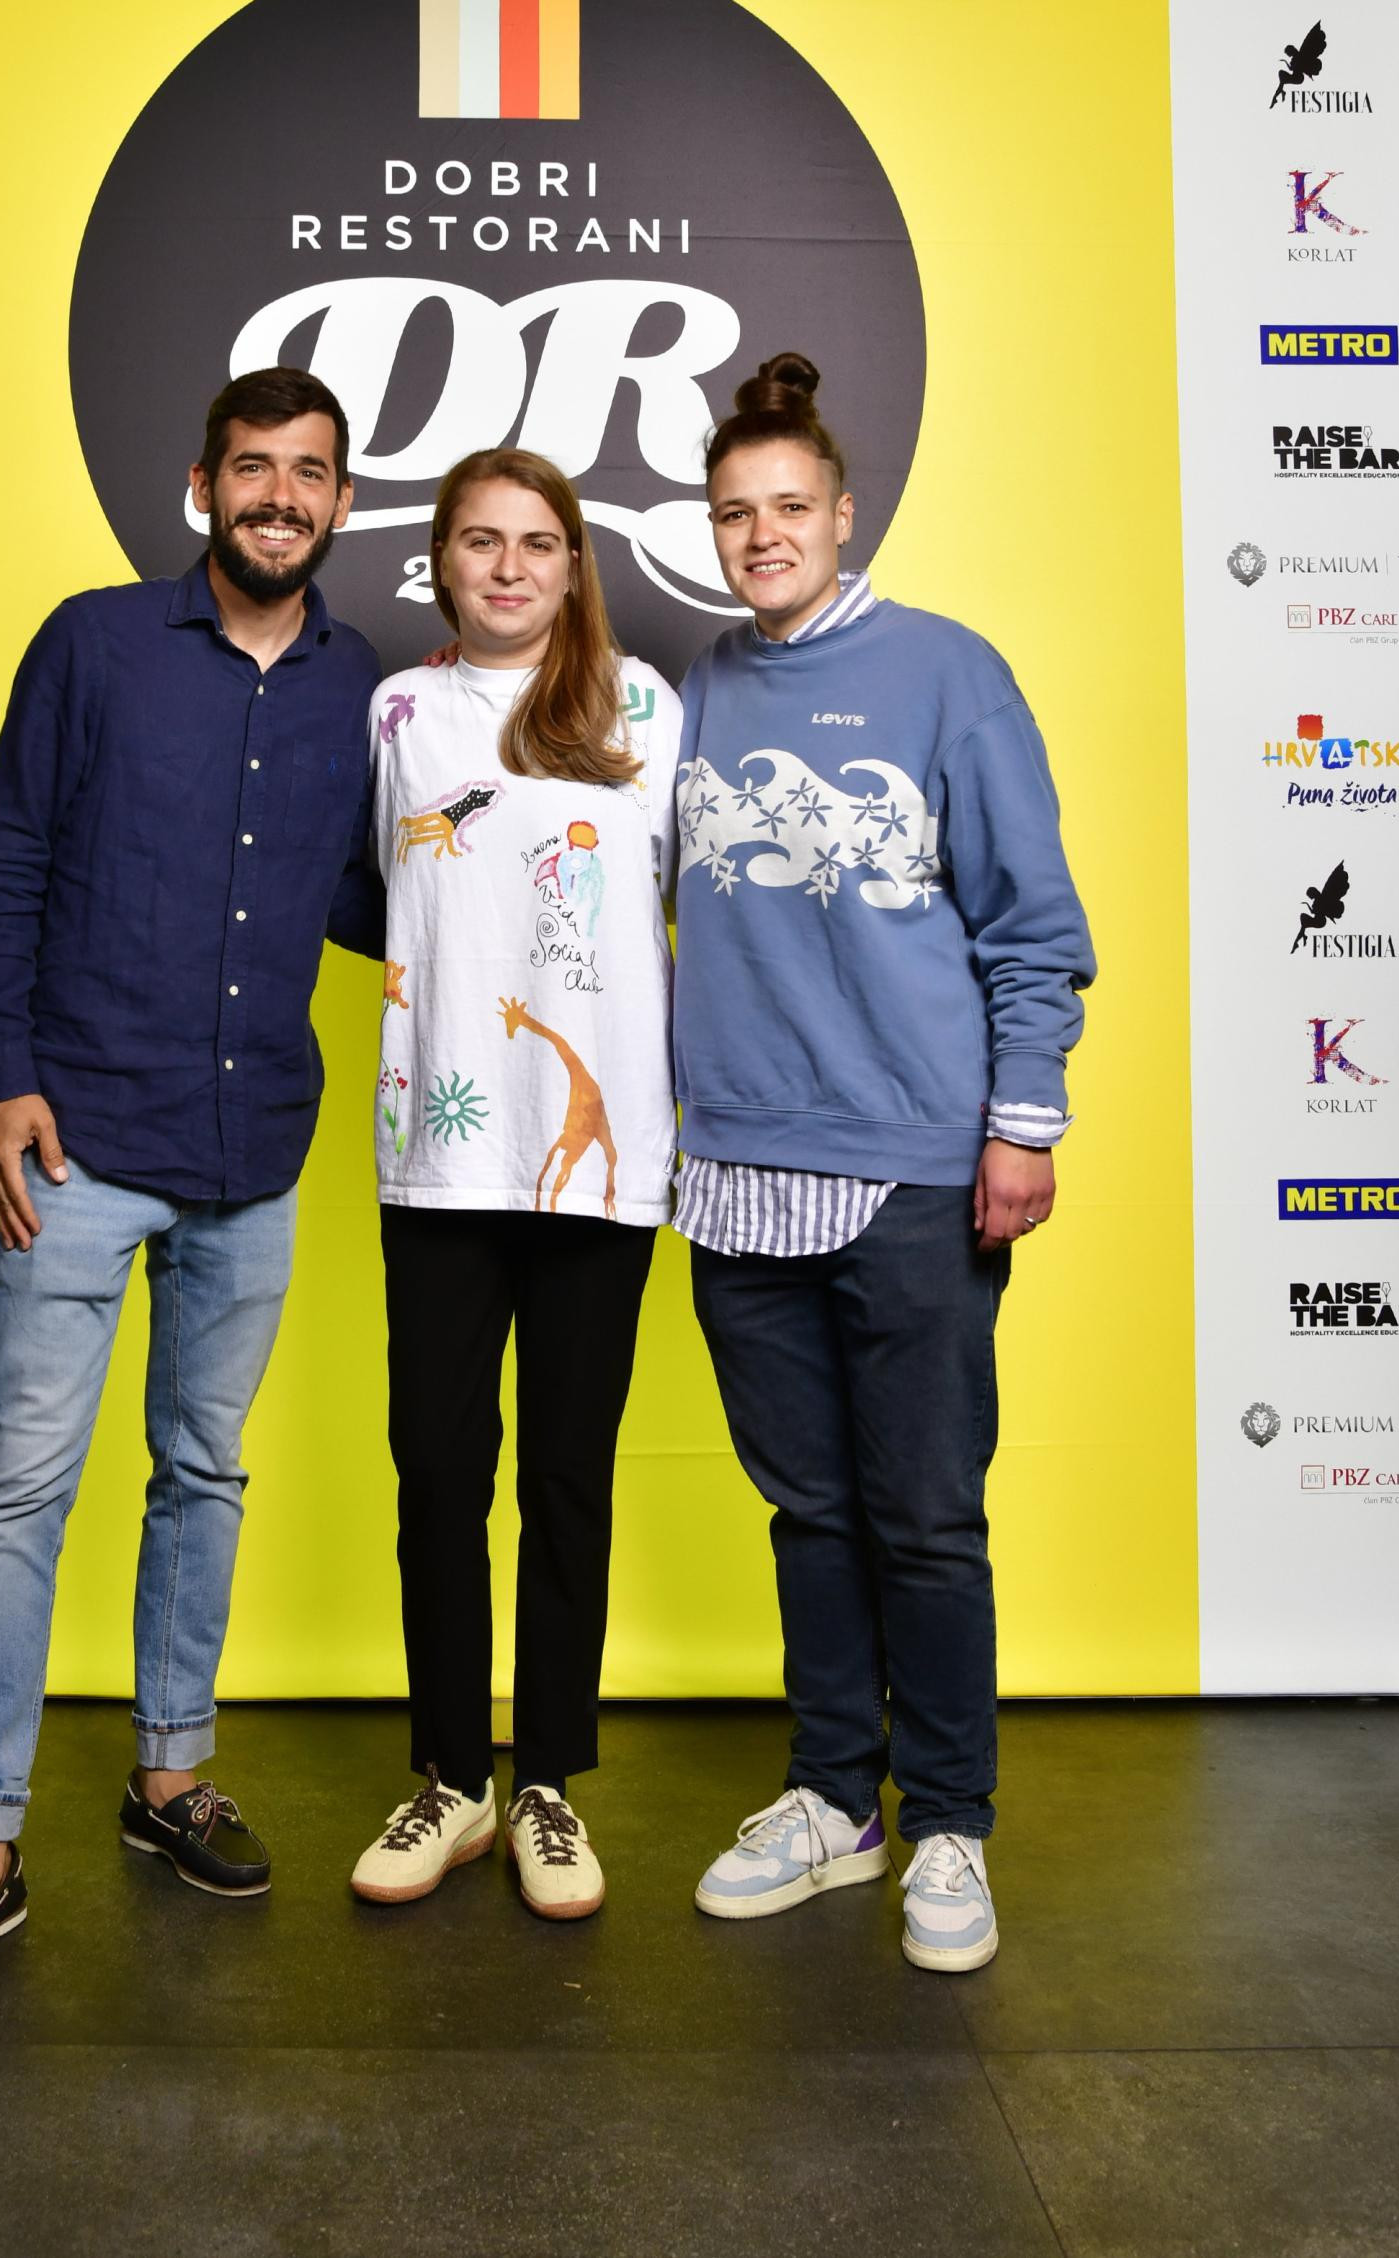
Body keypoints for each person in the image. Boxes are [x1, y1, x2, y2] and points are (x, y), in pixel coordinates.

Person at [0, 369, 384, 2001]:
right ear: (202, 485)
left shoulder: (364, 687)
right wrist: (1, 1074)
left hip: (255, 1149)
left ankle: (171, 1777)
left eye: (310, 473)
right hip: (81, 1138)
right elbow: (4, 861)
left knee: (204, 1472)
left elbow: (375, 896)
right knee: (21, 1488)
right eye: (254, 466)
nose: (280, 495)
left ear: (341, 502)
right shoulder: (92, 645)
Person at [674, 353, 1093, 1972]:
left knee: (924, 1514)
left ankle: (952, 1822)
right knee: (809, 1510)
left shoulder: (948, 674)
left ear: (844, 513)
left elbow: (1032, 924)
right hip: (735, 1170)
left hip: (915, 1167)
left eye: (790, 506)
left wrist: (1021, 1120)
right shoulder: (698, 687)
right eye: (735, 512)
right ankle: (836, 1799)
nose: (762, 535)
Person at [348, 450, 681, 1921]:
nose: (507, 566)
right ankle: (450, 1778)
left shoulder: (647, 708)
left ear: (573, 563)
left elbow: (694, 903)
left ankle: (544, 1778)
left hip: (601, 1163)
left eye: (537, 542)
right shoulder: (398, 713)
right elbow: (376, 895)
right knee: (438, 1468)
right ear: (439, 558)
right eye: (479, 540)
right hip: (441, 1149)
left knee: (567, 1475)